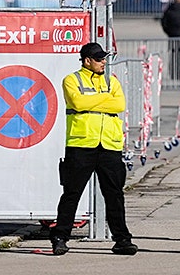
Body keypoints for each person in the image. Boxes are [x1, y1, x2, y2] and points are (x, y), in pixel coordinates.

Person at [49, 42, 137, 256]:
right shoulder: (71, 79)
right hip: (81, 144)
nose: (103, 62)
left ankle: (122, 240)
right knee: (72, 194)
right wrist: (104, 99)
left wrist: (92, 101)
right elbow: (78, 103)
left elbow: (119, 105)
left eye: (104, 58)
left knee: (114, 195)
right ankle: (60, 237)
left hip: (109, 144)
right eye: (99, 59)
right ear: (87, 60)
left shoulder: (111, 81)